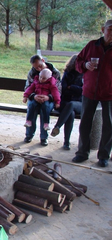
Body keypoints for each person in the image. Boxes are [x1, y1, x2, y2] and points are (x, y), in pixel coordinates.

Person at [72, 20, 112, 167]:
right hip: (89, 91)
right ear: (103, 29)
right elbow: (78, 63)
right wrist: (85, 65)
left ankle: (103, 156)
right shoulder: (91, 45)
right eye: (110, 29)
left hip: (109, 92)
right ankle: (82, 153)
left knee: (109, 125)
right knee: (85, 123)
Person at [24, 54, 61, 146]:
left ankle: (44, 137)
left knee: (45, 108)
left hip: (49, 99)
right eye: (36, 68)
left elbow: (58, 90)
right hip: (35, 97)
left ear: (43, 60)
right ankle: (29, 135)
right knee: (32, 106)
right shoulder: (32, 73)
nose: (39, 69)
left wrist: (49, 97)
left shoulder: (55, 72)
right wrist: (33, 96)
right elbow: (28, 87)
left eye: (40, 66)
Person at [50, 55, 83, 150]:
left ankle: (57, 126)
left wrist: (71, 87)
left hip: (79, 104)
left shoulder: (86, 74)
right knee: (70, 113)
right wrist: (73, 89)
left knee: (71, 105)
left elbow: (83, 90)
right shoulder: (68, 73)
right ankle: (66, 143)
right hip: (65, 102)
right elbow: (63, 88)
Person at [23, 68, 61, 133]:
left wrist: (57, 102)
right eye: (40, 77)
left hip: (46, 99)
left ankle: (46, 123)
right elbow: (30, 89)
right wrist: (25, 96)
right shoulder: (36, 81)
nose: (41, 79)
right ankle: (28, 121)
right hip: (36, 98)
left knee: (46, 107)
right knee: (32, 105)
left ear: (48, 78)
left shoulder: (51, 84)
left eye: (44, 78)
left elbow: (56, 93)